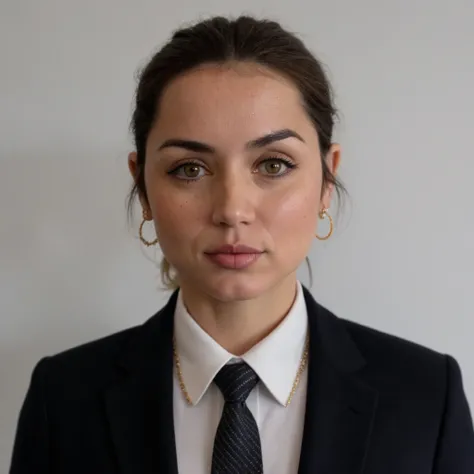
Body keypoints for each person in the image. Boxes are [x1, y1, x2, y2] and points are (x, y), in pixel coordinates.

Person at [9, 14, 474, 474]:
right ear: (143, 186)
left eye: (273, 165)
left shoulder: (427, 397)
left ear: (327, 180)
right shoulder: (64, 399)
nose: (232, 209)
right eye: (189, 168)